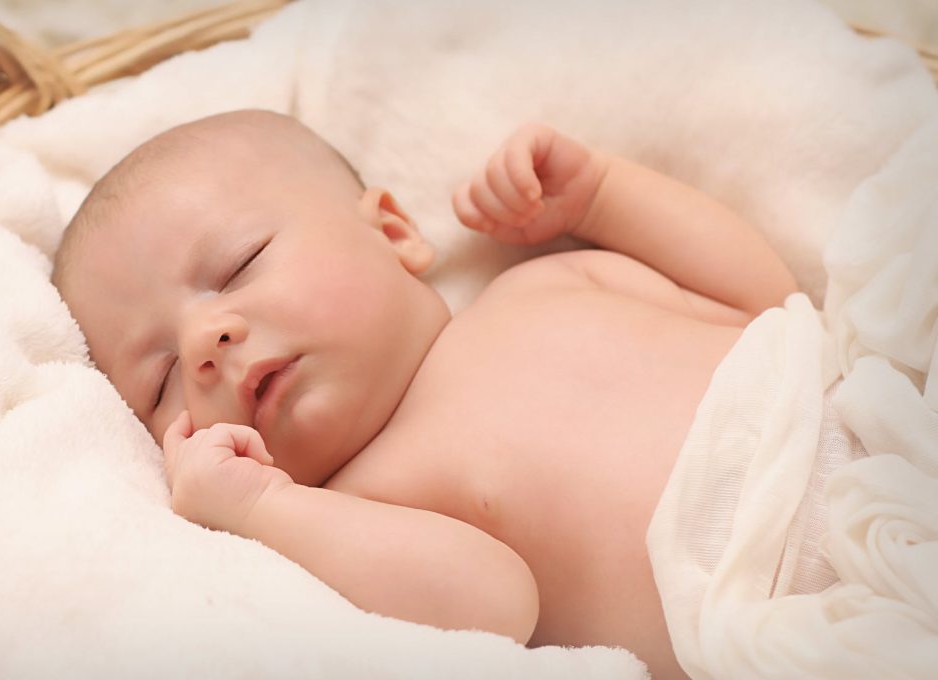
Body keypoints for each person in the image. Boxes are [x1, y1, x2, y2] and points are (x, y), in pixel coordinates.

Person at [52, 108, 802, 679]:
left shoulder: (542, 280)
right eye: (160, 378)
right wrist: (257, 507)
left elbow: (762, 302)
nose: (203, 341)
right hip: (799, 618)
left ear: (392, 230)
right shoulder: (353, 511)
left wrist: (603, 195)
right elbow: (493, 606)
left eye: (241, 264)